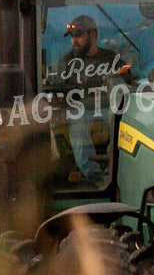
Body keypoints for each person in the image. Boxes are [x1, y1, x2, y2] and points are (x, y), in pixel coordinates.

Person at [53, 15, 133, 182]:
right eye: (72, 37)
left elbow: (128, 85)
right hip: (83, 110)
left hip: (110, 109)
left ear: (93, 35)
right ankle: (93, 175)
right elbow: (55, 90)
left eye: (79, 35)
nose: (74, 41)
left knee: (122, 121)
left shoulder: (111, 58)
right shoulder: (66, 63)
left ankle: (118, 170)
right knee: (78, 124)